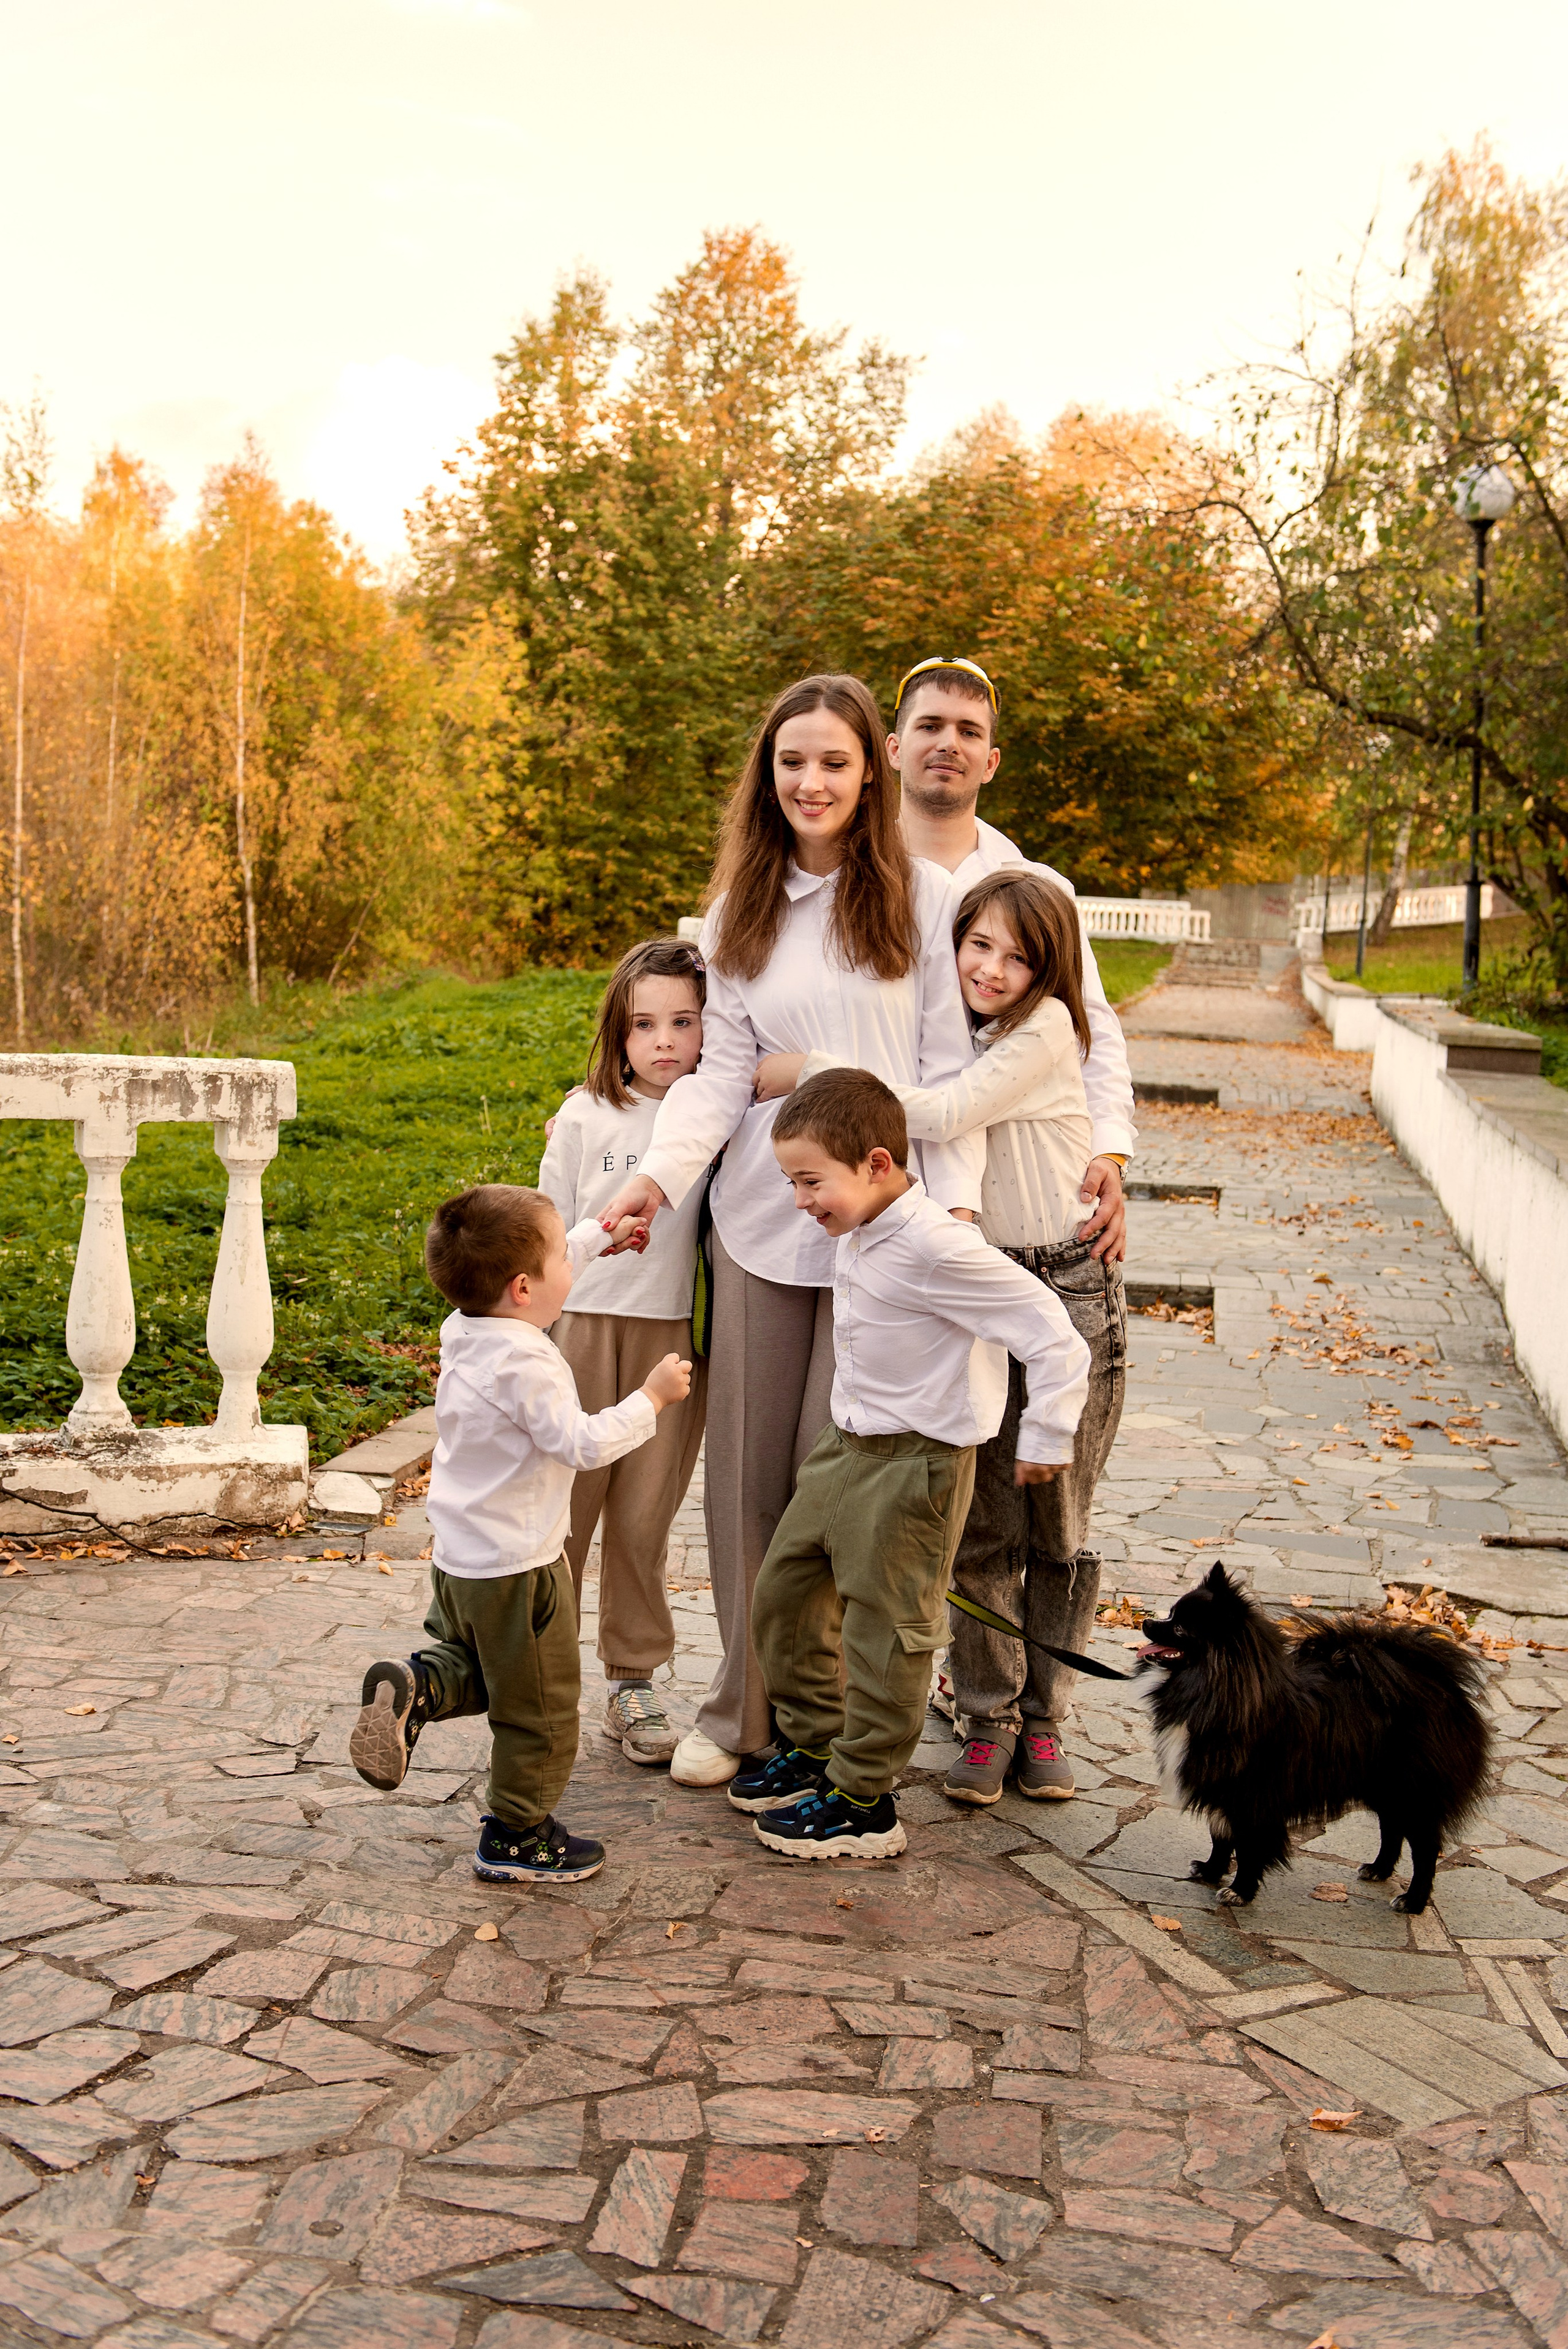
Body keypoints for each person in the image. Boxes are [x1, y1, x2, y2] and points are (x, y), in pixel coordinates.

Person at [598, 673, 984, 1789]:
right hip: (762, 1229)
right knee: (749, 1484)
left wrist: (951, 1217)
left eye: (833, 761)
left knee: (842, 1486)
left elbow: (950, 1079)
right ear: (766, 777)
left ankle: (827, 1724)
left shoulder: (919, 902)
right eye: (790, 762)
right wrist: (660, 1184)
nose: (811, 782)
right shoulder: (737, 915)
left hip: (884, 1233)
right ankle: (742, 1713)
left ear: (874, 774)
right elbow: (718, 1081)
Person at [757, 870, 1127, 1808]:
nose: (993, 967)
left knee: (1059, 1524)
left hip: (1064, 1271)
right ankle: (989, 1715)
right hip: (986, 1266)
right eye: (979, 945)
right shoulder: (974, 1028)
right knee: (982, 1528)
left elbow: (949, 1114)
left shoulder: (1047, 1027)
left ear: (1052, 967)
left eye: (1019, 954)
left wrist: (816, 1074)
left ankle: (1043, 1715)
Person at [725, 1066, 1090, 1858]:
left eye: (810, 1181)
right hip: (845, 1446)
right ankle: (819, 1747)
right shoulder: (858, 1227)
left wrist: (1047, 1434)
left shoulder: (938, 1246)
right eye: (792, 1181)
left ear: (879, 1163)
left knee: (889, 1631)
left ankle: (863, 1798)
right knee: (786, 1593)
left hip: (916, 1465)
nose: (800, 1200)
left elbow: (1051, 1329)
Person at [347, 1183, 691, 1883]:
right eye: (564, 1253)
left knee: (496, 1673)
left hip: (460, 1560)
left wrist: (597, 1235)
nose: (574, 1259)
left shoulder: (465, 1327)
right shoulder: (530, 1361)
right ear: (526, 1285)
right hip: (521, 1570)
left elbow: (538, 1272)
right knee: (541, 1706)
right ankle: (517, 1834)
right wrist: (650, 1397)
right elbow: (582, 1443)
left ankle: (420, 1684)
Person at [888, 657, 1137, 1262]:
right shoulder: (847, 878)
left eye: (970, 731)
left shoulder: (1035, 888)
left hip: (1023, 1211)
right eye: (930, 726)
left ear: (991, 761)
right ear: (893, 748)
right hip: (884, 1183)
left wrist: (1108, 1150)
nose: (949, 743)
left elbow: (1093, 1029)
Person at [538, 938, 709, 1769]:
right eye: (645, 1023)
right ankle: (539, 1668)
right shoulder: (583, 1115)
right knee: (563, 1514)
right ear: (619, 1029)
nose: (664, 1040)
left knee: (643, 1520)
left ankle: (633, 1676)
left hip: (669, 1342)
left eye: (684, 1020)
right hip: (579, 1334)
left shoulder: (715, 1120)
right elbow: (544, 1228)